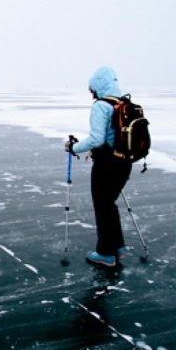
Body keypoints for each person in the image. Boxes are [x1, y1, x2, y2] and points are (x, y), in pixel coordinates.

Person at [65, 66, 133, 268]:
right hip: (124, 164)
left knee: (102, 207)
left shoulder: (101, 106)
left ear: (97, 87)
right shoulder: (123, 104)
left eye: (91, 89)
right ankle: (118, 247)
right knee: (109, 205)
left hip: (107, 165)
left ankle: (106, 254)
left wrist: (73, 147)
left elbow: (96, 138)